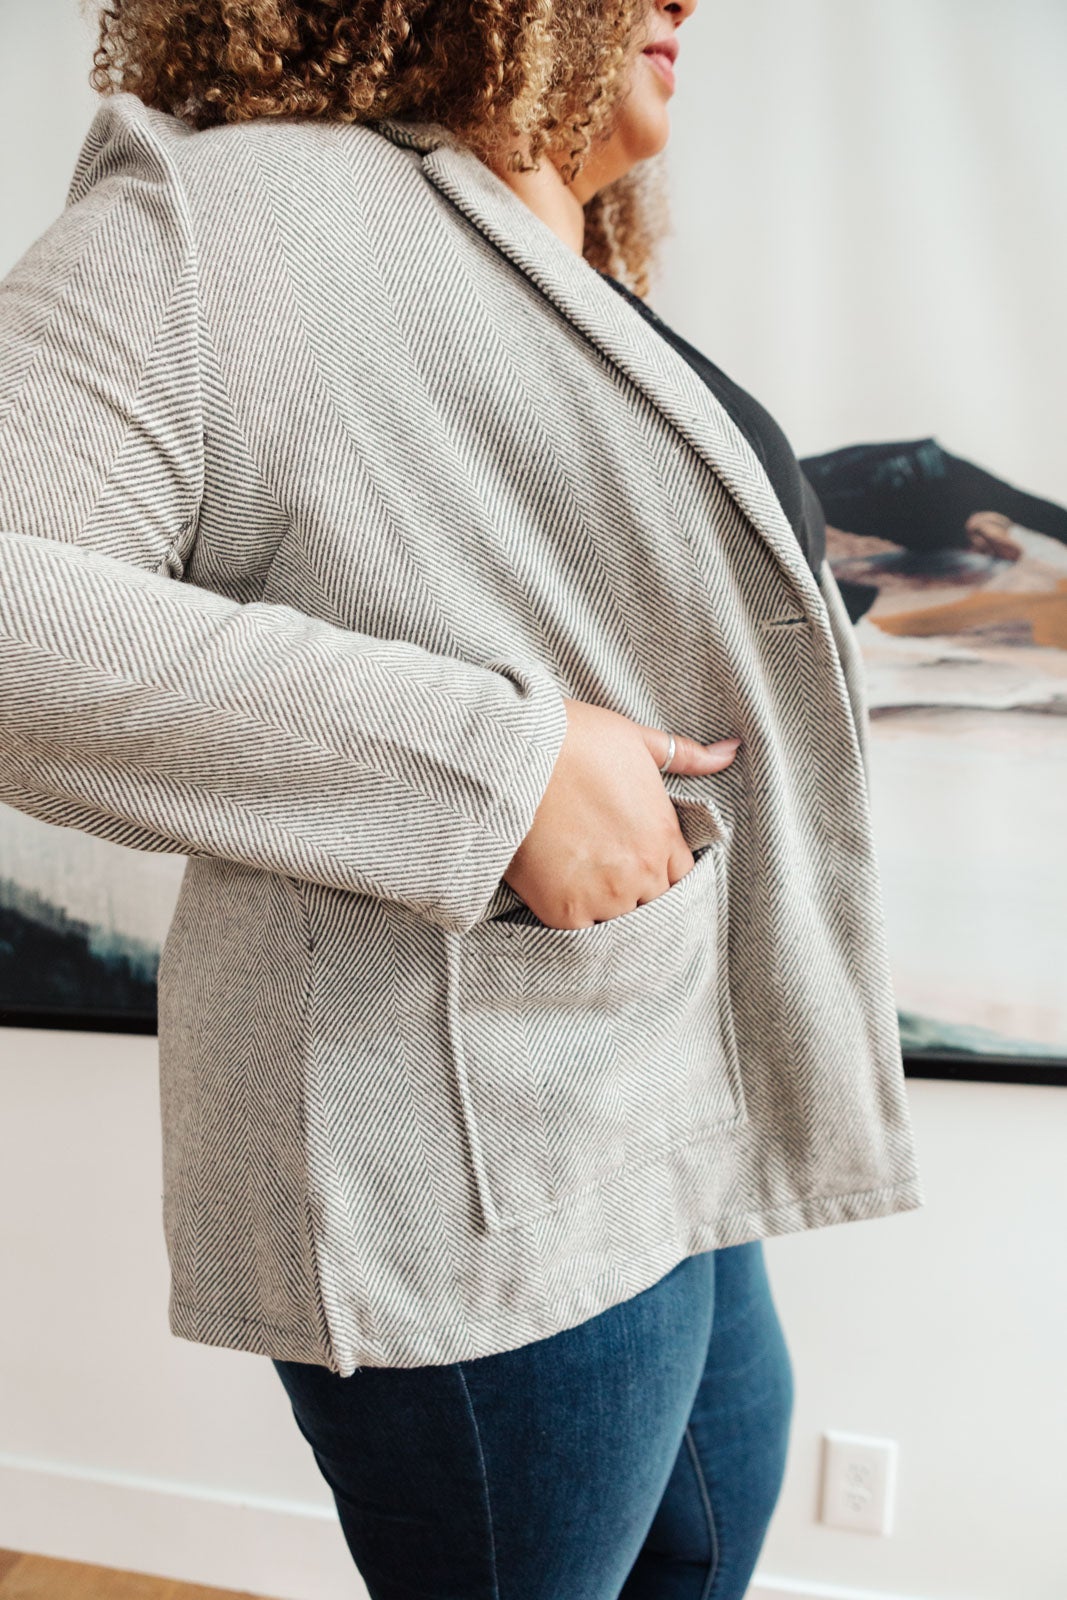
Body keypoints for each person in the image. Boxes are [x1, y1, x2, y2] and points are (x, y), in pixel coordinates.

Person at [0, 0, 924, 1596]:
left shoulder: (558, 267)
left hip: (666, 1093)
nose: (682, 4)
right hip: (475, 1155)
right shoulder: (222, 216)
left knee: (701, 1559)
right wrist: (496, 771)